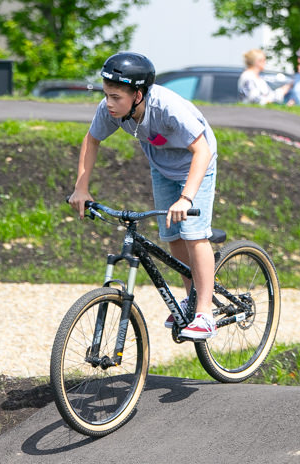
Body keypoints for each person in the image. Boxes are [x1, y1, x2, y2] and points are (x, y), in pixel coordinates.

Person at [68, 52, 218, 340]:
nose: (109, 103)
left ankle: (204, 312)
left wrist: (186, 198)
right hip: (162, 167)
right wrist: (81, 188)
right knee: (172, 235)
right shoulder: (110, 109)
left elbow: (202, 151)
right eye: (106, 95)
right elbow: (92, 139)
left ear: (137, 95)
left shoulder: (168, 108)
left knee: (194, 233)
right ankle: (190, 296)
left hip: (197, 164)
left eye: (116, 97)